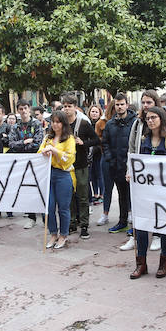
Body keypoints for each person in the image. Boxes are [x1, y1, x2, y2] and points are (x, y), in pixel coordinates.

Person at [129, 107, 166, 279]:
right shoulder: (144, 139)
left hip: (164, 192)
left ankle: (163, 261)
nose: (150, 121)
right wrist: (132, 172)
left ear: (162, 119)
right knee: (142, 226)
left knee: (165, 225)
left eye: (154, 117)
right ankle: (141, 263)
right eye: (148, 118)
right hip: (145, 192)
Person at [120, 91, 163, 251]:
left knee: (157, 206)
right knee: (137, 205)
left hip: (158, 175)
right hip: (139, 173)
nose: (145, 106)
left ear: (155, 103)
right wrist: (129, 169)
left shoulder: (165, 122)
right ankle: (134, 235)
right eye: (143, 102)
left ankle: (157, 236)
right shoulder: (138, 123)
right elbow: (131, 148)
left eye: (149, 102)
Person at [62, 94, 99, 240]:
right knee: (69, 195)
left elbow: (96, 140)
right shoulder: (62, 124)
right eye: (64, 106)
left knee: (83, 196)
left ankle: (84, 225)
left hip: (81, 164)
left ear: (75, 107)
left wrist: (84, 143)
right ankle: (71, 223)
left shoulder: (83, 123)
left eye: (69, 106)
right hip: (66, 166)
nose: (66, 109)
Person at [39, 110, 76, 250]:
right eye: (53, 122)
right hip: (48, 174)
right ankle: (53, 233)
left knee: (63, 208)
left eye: (58, 122)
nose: (55, 125)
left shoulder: (69, 139)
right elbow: (39, 152)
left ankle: (63, 235)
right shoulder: (47, 137)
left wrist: (54, 151)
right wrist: (44, 151)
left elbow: (69, 158)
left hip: (63, 175)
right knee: (48, 206)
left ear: (63, 123)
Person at [102, 94, 137, 235]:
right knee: (122, 196)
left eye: (122, 104)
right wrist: (111, 160)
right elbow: (105, 143)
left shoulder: (135, 122)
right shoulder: (110, 124)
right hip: (116, 166)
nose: (120, 107)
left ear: (127, 105)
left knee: (134, 197)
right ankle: (122, 222)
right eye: (117, 104)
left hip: (132, 167)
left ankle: (135, 226)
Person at [9, 99, 45, 229]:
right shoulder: (15, 127)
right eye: (20, 109)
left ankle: (45, 218)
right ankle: (31, 217)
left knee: (40, 188)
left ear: (29, 109)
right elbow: (11, 144)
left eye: (25, 108)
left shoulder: (37, 124)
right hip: (22, 162)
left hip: (37, 162)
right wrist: (24, 143)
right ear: (18, 111)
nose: (23, 111)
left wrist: (24, 144)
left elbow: (38, 143)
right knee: (27, 189)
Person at [95, 100, 115, 226]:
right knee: (108, 188)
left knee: (124, 188)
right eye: (115, 107)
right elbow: (98, 140)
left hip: (121, 158)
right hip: (106, 157)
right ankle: (105, 213)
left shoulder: (128, 121)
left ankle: (128, 213)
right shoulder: (101, 123)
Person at [87, 104, 105, 205]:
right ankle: (95, 194)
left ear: (99, 113)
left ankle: (102, 194)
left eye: (96, 112)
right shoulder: (87, 124)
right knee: (92, 174)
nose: (94, 113)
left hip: (99, 152)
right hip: (90, 153)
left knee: (99, 173)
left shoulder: (101, 124)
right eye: (92, 111)